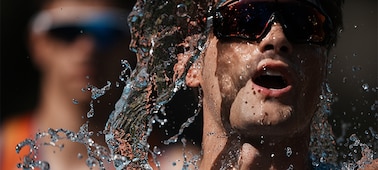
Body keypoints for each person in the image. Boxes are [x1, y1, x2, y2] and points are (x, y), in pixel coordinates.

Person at [0, 0, 135, 169]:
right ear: (37, 43)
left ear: (132, 45)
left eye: (106, 33)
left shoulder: (167, 162)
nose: (87, 47)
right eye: (67, 32)